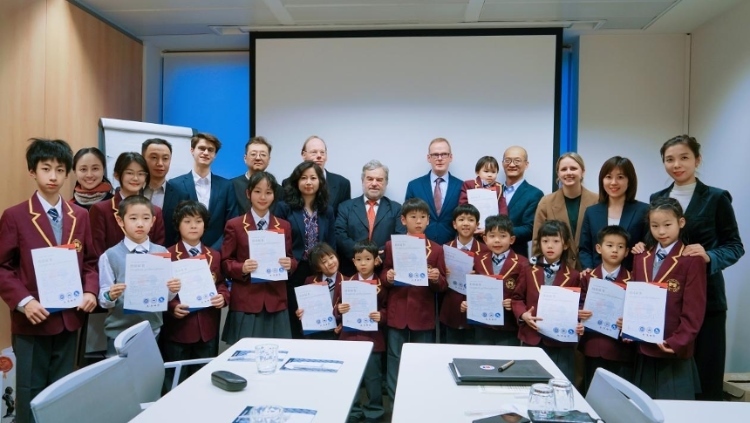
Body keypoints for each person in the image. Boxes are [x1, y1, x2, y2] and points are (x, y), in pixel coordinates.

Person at [0, 138, 99, 423]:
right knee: (30, 392)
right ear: (33, 171)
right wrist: (24, 301)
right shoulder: (15, 215)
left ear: (67, 173)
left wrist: (90, 292)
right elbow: (3, 267)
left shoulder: (80, 215)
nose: (53, 176)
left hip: (70, 318)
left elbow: (90, 262)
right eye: (46, 169)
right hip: (33, 319)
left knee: (62, 392)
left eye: (60, 169)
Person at [647, 135, 744, 400]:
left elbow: (735, 246)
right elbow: (654, 243)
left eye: (684, 158)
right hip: (666, 302)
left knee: (706, 376)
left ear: (697, 160)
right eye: (669, 159)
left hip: (707, 299)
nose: (676, 164)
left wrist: (709, 255)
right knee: (669, 378)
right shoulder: (657, 198)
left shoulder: (716, 198)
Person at [631, 198, 707, 400]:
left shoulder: (691, 259)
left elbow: (694, 309)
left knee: (675, 409)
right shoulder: (641, 257)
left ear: (681, 223)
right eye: (655, 226)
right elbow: (634, 299)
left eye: (667, 225)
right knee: (643, 406)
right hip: (644, 345)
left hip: (672, 347)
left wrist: (677, 341)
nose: (661, 231)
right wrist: (628, 326)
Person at [98, 195, 181, 355]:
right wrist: (110, 295)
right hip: (119, 332)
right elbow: (103, 299)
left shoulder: (161, 252)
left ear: (153, 221)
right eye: (133, 218)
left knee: (147, 369)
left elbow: (166, 297)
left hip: (152, 330)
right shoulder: (110, 255)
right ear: (120, 220)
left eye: (146, 218)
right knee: (119, 370)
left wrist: (173, 289)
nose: (140, 224)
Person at [381, 198, 447, 399]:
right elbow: (384, 275)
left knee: (422, 357)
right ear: (403, 220)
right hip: (398, 310)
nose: (418, 221)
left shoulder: (436, 249)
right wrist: (388, 277)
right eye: (413, 217)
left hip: (422, 311)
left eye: (423, 217)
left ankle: (419, 397)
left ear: (428, 220)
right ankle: (394, 399)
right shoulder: (392, 245)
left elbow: (443, 284)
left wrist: (436, 278)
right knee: (394, 356)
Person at [221, 172, 296, 342]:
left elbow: (292, 258)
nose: (263, 197)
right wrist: (242, 267)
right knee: (244, 353)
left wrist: (289, 264)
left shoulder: (284, 226)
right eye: (257, 191)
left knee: (277, 351)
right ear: (248, 193)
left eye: (268, 192)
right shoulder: (235, 225)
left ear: (274, 195)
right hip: (246, 301)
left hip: (276, 300)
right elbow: (225, 262)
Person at [162, 200, 228, 386]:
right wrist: (172, 307)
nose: (193, 226)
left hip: (207, 328)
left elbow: (221, 283)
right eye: (187, 221)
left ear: (205, 225)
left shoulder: (214, 255)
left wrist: (223, 297)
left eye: (198, 221)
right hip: (178, 330)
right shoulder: (167, 255)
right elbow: (160, 291)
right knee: (176, 381)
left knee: (204, 381)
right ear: (178, 225)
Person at [512, 220, 583, 381]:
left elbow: (577, 307)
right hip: (532, 337)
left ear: (565, 245)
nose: (550, 246)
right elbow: (517, 298)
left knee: (559, 384)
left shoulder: (573, 275)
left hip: (560, 343)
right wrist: (523, 315)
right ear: (539, 243)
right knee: (529, 383)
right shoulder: (528, 269)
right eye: (545, 241)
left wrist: (578, 322)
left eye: (556, 241)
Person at [276, 161, 336, 338]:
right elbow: (279, 241)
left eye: (313, 178)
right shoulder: (284, 208)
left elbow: (331, 242)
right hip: (294, 270)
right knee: (296, 317)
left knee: (317, 319)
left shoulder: (327, 210)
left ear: (320, 182)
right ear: (296, 181)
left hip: (319, 269)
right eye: (303, 178)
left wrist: (328, 267)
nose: (308, 182)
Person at [578, 225, 636, 393]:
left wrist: (628, 321)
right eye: (609, 245)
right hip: (592, 346)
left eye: (620, 246)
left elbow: (635, 310)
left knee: (618, 395)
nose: (615, 250)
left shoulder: (633, 280)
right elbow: (578, 303)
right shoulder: (587, 277)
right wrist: (579, 312)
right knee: (592, 392)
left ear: (627, 252)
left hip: (620, 349)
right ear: (599, 248)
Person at [335, 240, 386, 423]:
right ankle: (353, 409)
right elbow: (335, 307)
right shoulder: (346, 283)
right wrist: (339, 310)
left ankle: (375, 410)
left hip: (372, 339)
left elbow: (388, 308)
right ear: (353, 262)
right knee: (350, 376)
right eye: (359, 259)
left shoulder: (382, 284)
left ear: (376, 261)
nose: (363, 263)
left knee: (373, 378)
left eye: (367, 259)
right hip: (349, 338)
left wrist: (381, 315)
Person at [465, 214, 529, 346]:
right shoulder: (478, 259)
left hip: (508, 325)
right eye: (492, 236)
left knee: (506, 357)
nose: (497, 240)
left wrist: (513, 302)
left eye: (503, 236)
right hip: (482, 324)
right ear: (485, 239)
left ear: (512, 239)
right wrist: (468, 302)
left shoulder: (522, 263)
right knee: (482, 357)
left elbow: (525, 293)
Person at [88, 152, 166, 257]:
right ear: (117, 175)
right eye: (129, 173)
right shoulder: (101, 210)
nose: (135, 178)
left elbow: (158, 250)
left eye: (141, 174)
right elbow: (96, 252)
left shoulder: (155, 211)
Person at [335, 160, 405, 275]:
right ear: (362, 181)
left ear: (386, 183)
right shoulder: (345, 207)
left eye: (379, 180)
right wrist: (362, 257)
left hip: (384, 272)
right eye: (370, 179)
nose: (374, 183)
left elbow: (400, 238)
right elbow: (340, 235)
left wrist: (379, 256)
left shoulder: (397, 209)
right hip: (352, 270)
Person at [170, 133, 239, 250]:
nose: (206, 153)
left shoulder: (226, 186)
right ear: (192, 150)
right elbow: (172, 223)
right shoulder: (175, 184)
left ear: (215, 155)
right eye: (202, 148)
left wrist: (213, 252)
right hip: (184, 254)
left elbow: (232, 224)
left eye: (210, 150)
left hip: (218, 253)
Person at [579, 157, 648, 271]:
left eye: (620, 177)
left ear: (629, 180)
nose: (613, 182)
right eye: (608, 177)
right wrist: (588, 269)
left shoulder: (643, 210)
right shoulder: (591, 212)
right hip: (597, 276)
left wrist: (643, 246)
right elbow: (585, 249)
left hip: (631, 276)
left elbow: (649, 244)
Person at [533, 152, 597, 270]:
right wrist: (538, 271)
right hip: (556, 272)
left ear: (583, 172)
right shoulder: (546, 202)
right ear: (558, 173)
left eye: (573, 168)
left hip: (590, 270)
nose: (568, 172)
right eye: (563, 169)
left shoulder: (597, 201)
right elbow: (537, 242)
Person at [439, 204, 489, 344]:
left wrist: (479, 276)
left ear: (477, 225)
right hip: (451, 308)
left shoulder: (486, 251)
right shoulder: (445, 249)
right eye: (461, 219)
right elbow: (438, 283)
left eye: (471, 220)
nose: (466, 223)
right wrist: (443, 274)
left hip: (477, 311)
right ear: (454, 224)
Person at [404, 137, 462, 245]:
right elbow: (407, 218)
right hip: (421, 246)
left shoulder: (461, 186)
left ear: (450, 157)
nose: (439, 158)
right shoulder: (414, 186)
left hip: (452, 246)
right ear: (428, 158)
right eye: (435, 155)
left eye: (444, 154)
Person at [284, 135, 351, 216]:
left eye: (322, 152)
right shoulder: (288, 183)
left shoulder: (342, 184)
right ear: (304, 155)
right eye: (314, 152)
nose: (319, 156)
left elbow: (345, 217)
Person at [141, 138, 191, 246]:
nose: (160, 163)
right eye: (154, 157)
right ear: (143, 159)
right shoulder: (133, 191)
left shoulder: (181, 195)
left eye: (165, 158)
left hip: (167, 252)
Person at [500, 146, 543, 258]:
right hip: (487, 256)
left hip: (517, 257)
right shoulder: (493, 190)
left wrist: (498, 232)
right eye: (507, 160)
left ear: (526, 164)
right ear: (502, 163)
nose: (512, 164)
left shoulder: (534, 194)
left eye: (517, 160)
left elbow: (530, 229)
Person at [295, 242, 342, 340]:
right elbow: (304, 307)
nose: (330, 263)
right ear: (318, 267)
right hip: (316, 334)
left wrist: (343, 324)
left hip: (338, 334)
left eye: (331, 257)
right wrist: (300, 312)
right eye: (324, 262)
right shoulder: (310, 281)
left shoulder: (347, 281)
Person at [230, 136, 283, 214]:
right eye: (253, 154)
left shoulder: (278, 190)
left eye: (263, 155)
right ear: (245, 158)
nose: (258, 158)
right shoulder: (231, 186)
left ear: (269, 160)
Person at [458, 156, 509, 228]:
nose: (490, 175)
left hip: (492, 224)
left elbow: (502, 207)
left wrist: (501, 222)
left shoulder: (499, 187)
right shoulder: (469, 184)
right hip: (472, 222)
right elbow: (463, 204)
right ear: (477, 172)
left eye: (493, 172)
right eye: (486, 171)